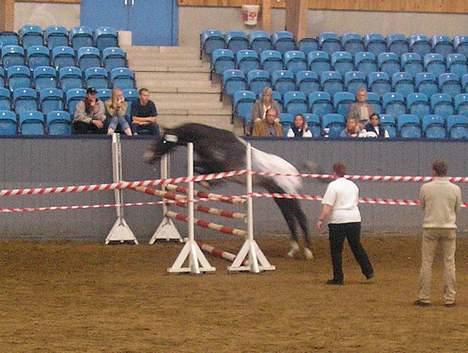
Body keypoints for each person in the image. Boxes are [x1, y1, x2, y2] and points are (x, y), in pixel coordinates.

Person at [316, 162, 374, 285]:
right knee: (356, 246)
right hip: (354, 219)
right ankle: (368, 271)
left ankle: (338, 277)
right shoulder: (353, 185)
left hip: (338, 220)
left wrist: (321, 219)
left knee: (336, 250)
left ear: (334, 173)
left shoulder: (333, 186)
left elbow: (328, 206)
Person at [415, 160, 462, 307]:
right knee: (449, 263)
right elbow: (457, 208)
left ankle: (424, 297)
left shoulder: (426, 187)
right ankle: (450, 298)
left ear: (434, 171)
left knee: (427, 263)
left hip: (430, 227)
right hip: (449, 227)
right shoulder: (455, 188)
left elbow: (422, 206)